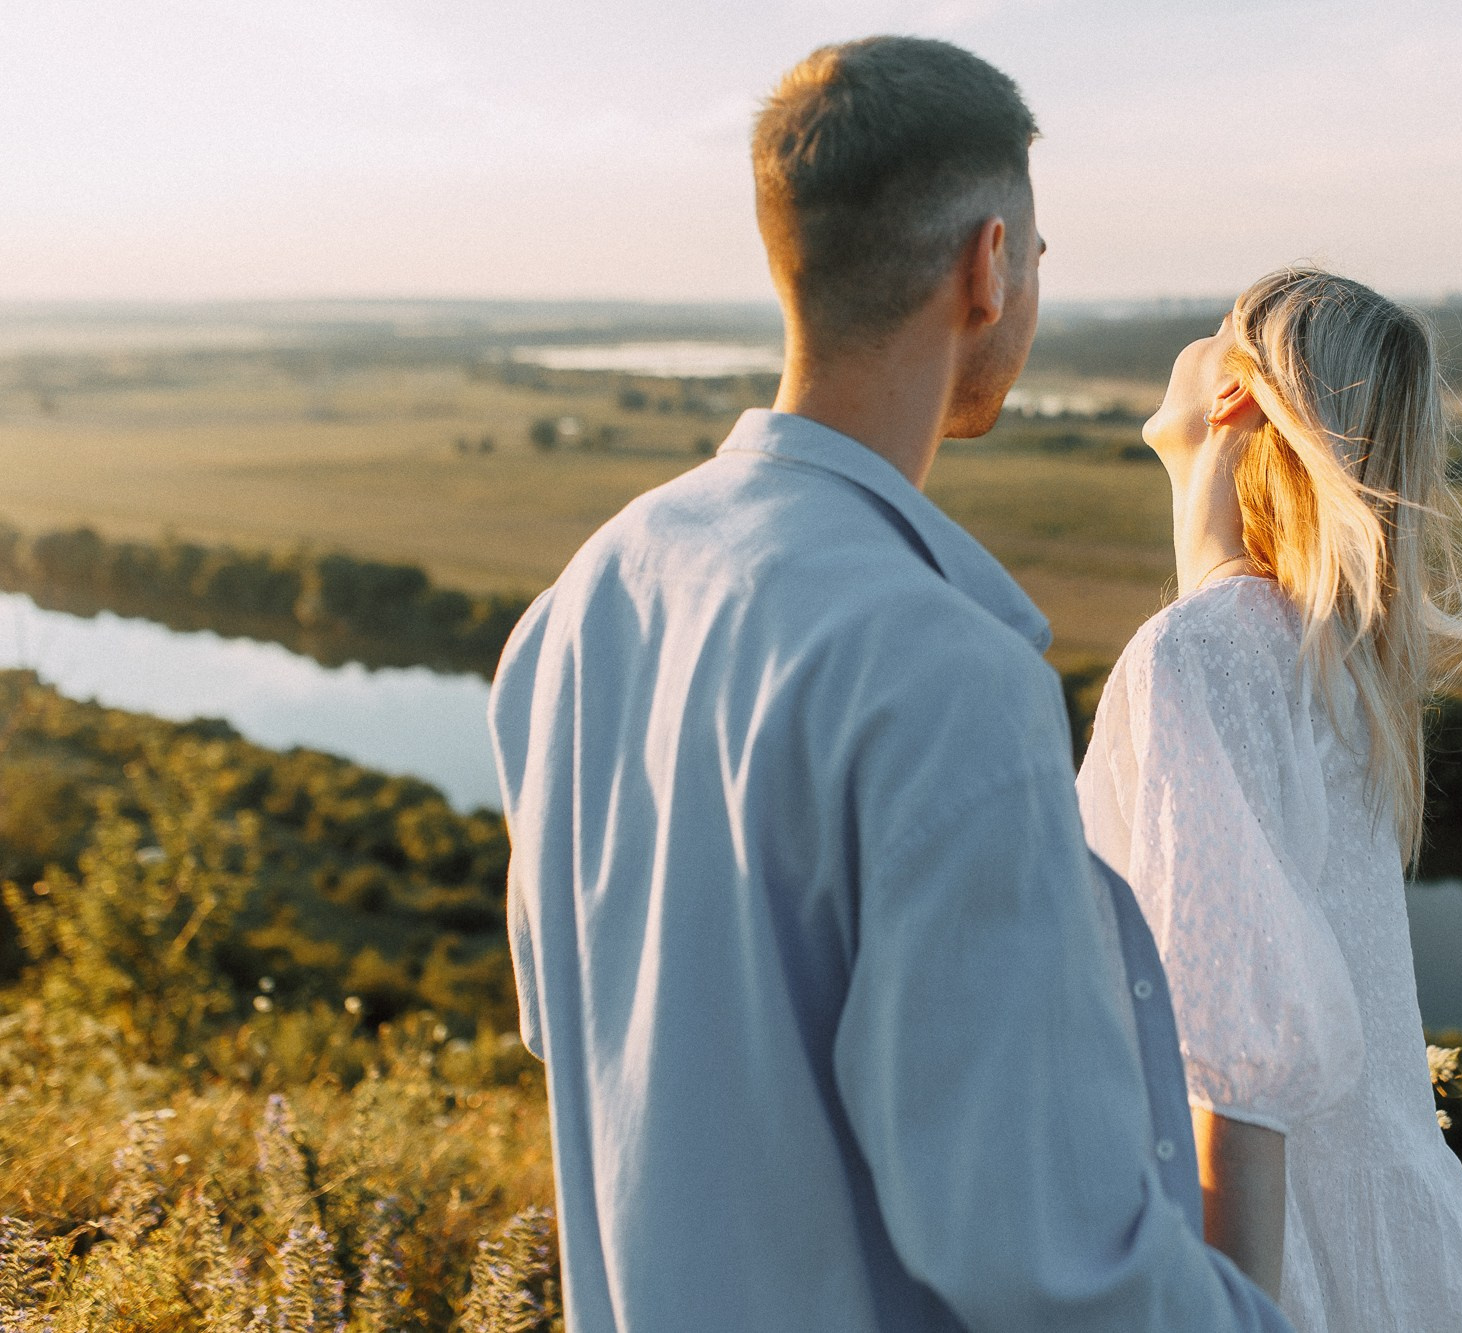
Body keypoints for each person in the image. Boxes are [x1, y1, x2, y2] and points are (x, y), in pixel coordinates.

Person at [488, 36, 1294, 1332]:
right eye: (1035, 255)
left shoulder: (584, 602)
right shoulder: (948, 679)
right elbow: (1049, 1258)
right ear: (987, 266)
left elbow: (587, 1039)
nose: (1029, 282)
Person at [1076, 267, 1462, 1332]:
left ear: (1236, 392)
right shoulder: (1334, 662)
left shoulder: (1199, 653)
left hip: (1274, 1253)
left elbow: (1233, 1077)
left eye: (1207, 331)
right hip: (1400, 1246)